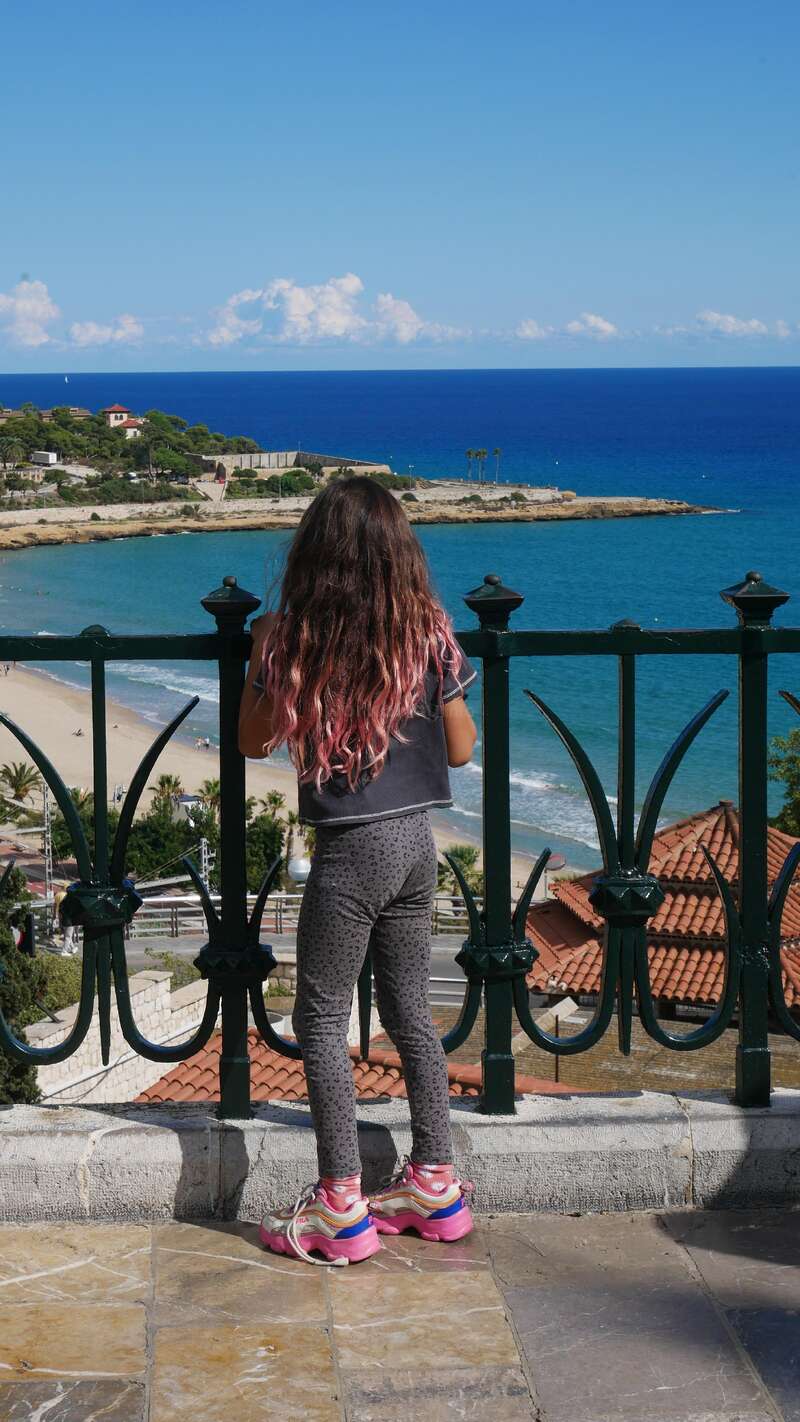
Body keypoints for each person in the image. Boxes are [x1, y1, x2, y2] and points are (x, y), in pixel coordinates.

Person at [239, 476, 478, 1266]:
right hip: (418, 843)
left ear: (316, 555)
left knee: (319, 1018)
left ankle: (341, 1202)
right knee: (409, 1011)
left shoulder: (290, 636)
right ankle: (433, 1183)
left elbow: (251, 740)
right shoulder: (428, 631)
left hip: (350, 849)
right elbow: (461, 747)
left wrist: (260, 656)